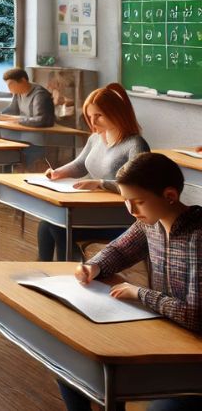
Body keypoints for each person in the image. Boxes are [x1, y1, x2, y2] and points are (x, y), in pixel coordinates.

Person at [56, 153, 201, 411]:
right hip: (164, 334)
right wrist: (93, 266)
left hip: (193, 355)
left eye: (138, 202)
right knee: (69, 367)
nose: (132, 211)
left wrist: (139, 293)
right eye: (126, 202)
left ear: (170, 195)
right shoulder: (149, 223)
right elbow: (120, 251)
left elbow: (195, 316)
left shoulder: (197, 237)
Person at [36, 84, 149, 261]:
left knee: (58, 226)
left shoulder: (135, 144)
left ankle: (74, 268)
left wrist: (101, 183)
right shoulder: (96, 138)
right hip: (94, 207)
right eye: (90, 116)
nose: (93, 122)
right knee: (47, 223)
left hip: (121, 216)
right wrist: (58, 172)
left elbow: (140, 187)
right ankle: (49, 269)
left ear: (116, 113)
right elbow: (81, 164)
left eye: (99, 116)